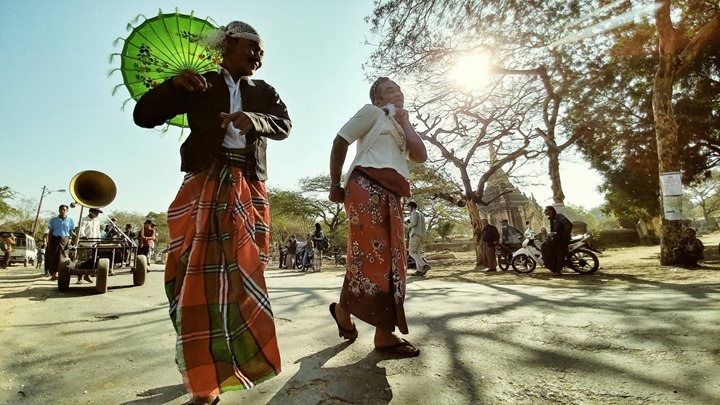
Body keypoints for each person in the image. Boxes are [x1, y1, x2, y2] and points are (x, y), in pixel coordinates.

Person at [133, 20, 289, 404]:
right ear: (228, 46)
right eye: (251, 49)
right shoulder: (198, 83)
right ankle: (203, 381)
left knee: (242, 277)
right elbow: (144, 116)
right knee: (196, 281)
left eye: (262, 53)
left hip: (248, 185)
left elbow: (283, 125)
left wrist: (254, 120)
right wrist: (173, 85)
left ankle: (235, 364)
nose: (258, 57)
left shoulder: (264, 91)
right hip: (204, 181)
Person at [328, 76, 427, 357]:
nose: (396, 92)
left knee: (395, 259)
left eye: (398, 89)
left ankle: (349, 314)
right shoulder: (371, 113)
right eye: (388, 90)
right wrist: (335, 184)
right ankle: (381, 332)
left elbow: (420, 156)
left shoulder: (399, 127)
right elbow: (340, 141)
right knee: (371, 257)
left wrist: (405, 121)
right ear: (378, 100)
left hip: (392, 193)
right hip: (365, 186)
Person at [43, 205, 76, 281]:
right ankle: (54, 273)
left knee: (63, 256)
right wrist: (49, 242)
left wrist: (75, 236)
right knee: (53, 256)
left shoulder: (70, 220)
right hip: (54, 239)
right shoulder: (53, 220)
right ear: (59, 210)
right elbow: (51, 231)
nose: (62, 211)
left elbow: (71, 231)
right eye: (61, 209)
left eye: (64, 210)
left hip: (65, 239)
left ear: (67, 211)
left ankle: (60, 273)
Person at [541, 206, 573, 275]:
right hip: (557, 239)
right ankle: (552, 265)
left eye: (546, 210)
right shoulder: (552, 218)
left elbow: (569, 225)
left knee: (559, 252)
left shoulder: (559, 217)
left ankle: (558, 270)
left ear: (551, 210)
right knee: (545, 245)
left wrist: (562, 235)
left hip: (562, 239)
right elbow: (554, 230)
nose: (545, 211)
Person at [76, 207, 103, 283]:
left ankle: (87, 276)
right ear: (91, 211)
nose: (97, 214)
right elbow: (81, 228)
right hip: (84, 244)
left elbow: (98, 232)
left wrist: (99, 241)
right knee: (82, 260)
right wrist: (83, 235)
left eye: (98, 212)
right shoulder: (84, 220)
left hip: (94, 244)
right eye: (96, 212)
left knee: (91, 261)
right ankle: (79, 277)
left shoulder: (97, 221)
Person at [407, 201, 431, 276]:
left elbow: (413, 223)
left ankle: (424, 265)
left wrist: (408, 223)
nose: (408, 209)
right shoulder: (421, 214)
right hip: (421, 235)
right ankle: (419, 270)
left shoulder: (414, 212)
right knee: (417, 253)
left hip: (415, 234)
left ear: (411, 207)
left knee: (411, 252)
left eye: (408, 207)